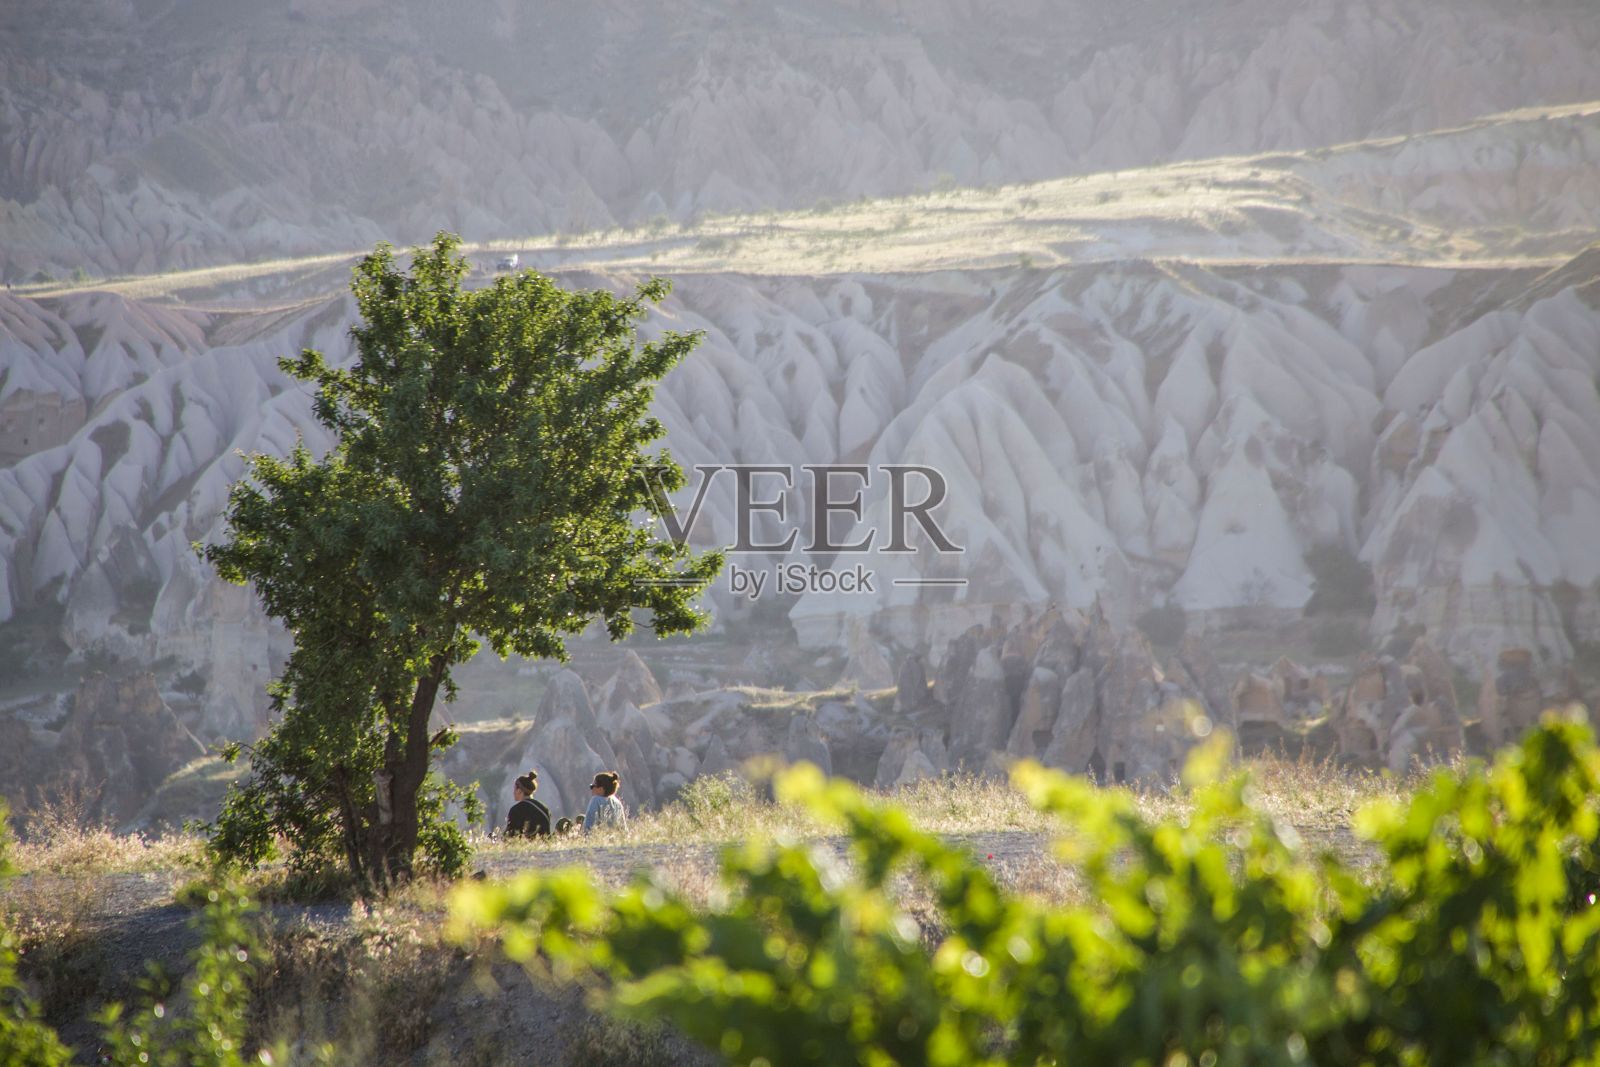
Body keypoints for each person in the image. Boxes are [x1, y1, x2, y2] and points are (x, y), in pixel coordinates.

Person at [505, 769, 551, 838]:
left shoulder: (516, 810)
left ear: (519, 791)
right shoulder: (544, 809)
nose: (513, 792)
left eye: (514, 789)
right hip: (542, 846)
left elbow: (510, 836)